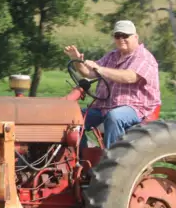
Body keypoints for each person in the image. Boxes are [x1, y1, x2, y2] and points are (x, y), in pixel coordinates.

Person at [63, 20, 161, 148]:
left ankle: (113, 158)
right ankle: (82, 155)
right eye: (117, 36)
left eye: (125, 36)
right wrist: (76, 60)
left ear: (135, 37)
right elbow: (89, 73)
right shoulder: (112, 56)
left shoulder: (144, 57)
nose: (121, 39)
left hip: (136, 108)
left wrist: (99, 69)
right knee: (72, 118)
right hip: (104, 107)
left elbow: (130, 77)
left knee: (115, 117)